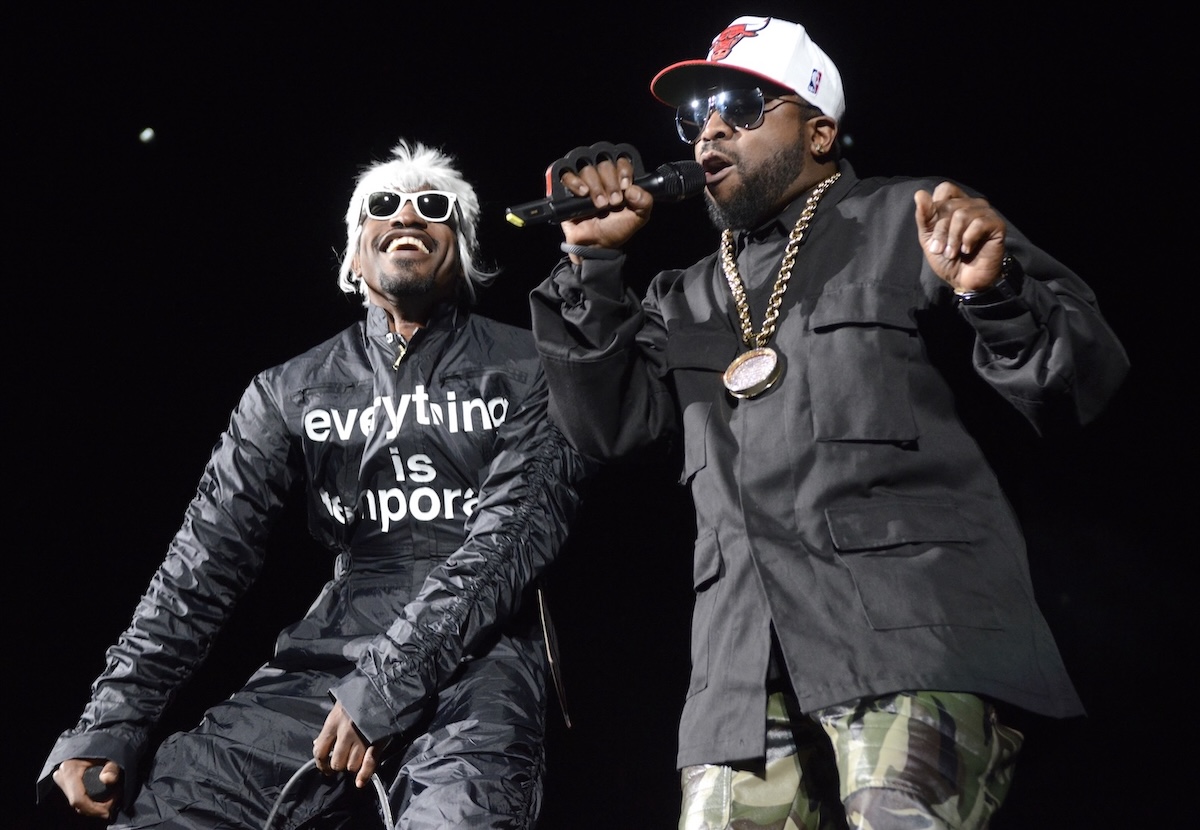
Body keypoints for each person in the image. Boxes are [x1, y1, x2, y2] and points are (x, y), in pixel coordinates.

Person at [527, 14, 1130, 830]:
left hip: (912, 638)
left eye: (741, 107)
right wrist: (593, 264)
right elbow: (606, 430)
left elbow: (1079, 387)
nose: (709, 131)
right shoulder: (685, 295)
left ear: (818, 131)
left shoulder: (910, 218)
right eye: (696, 116)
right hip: (740, 674)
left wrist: (994, 294)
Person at [39, 138, 591, 829]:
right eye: (383, 205)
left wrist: (387, 687)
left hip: (483, 662)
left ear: (466, 249)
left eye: (434, 206)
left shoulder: (532, 367)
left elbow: (513, 537)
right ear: (354, 256)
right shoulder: (289, 389)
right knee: (172, 808)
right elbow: (202, 563)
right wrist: (112, 717)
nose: (408, 217)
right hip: (333, 655)